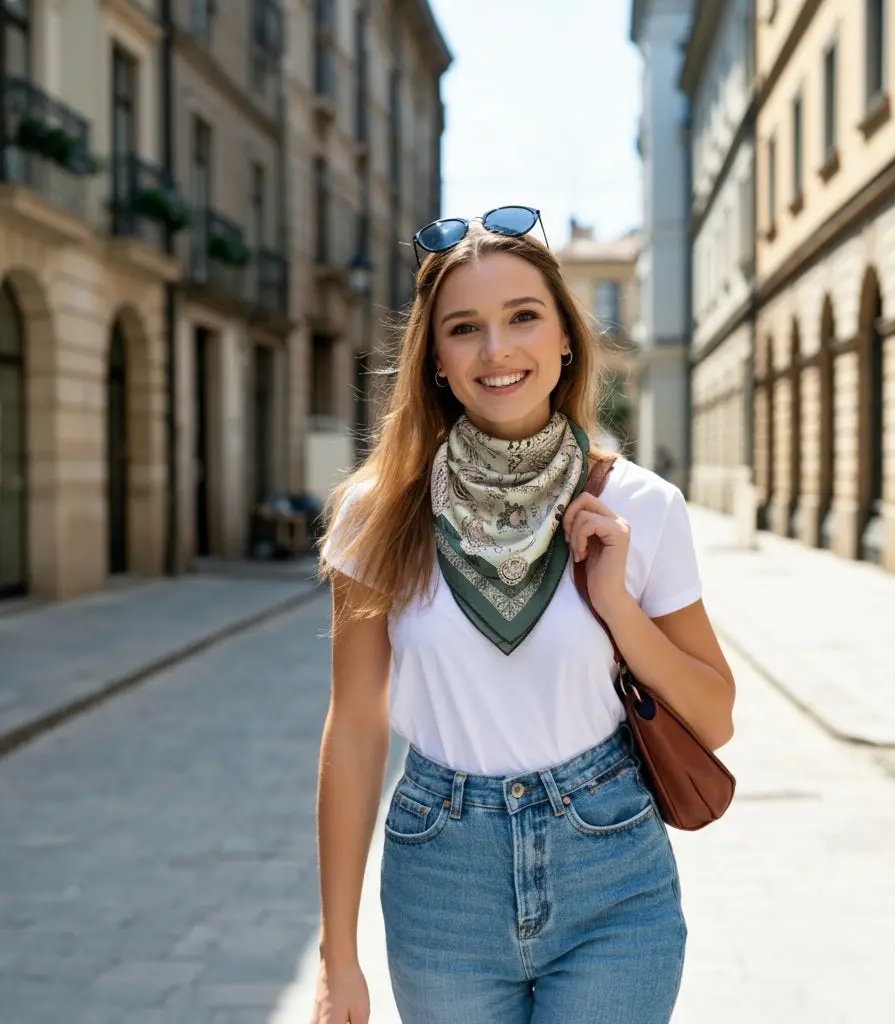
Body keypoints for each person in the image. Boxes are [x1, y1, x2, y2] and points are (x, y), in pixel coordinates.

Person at [312, 206, 735, 1024]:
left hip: (612, 872)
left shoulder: (642, 506)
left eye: (523, 317)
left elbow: (713, 717)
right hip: (442, 881)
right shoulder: (377, 513)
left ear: (566, 338)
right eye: (464, 328)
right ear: (434, 359)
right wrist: (337, 959)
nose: (497, 350)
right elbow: (357, 728)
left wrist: (615, 604)